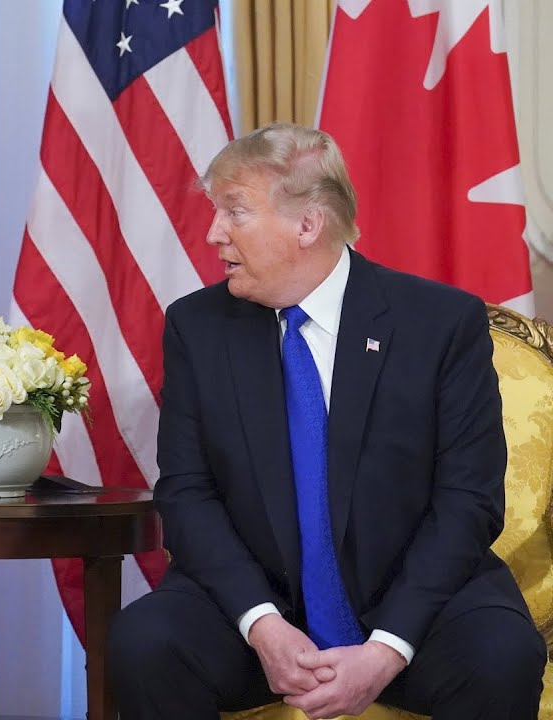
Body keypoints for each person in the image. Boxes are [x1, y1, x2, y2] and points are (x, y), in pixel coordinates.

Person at [108, 122, 545, 719]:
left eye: (235, 212)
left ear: (307, 225)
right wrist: (262, 625)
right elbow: (187, 492)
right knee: (146, 644)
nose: (214, 233)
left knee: (501, 655)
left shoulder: (440, 324)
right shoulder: (198, 327)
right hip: (261, 607)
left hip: (415, 607)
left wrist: (386, 649)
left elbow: (468, 500)